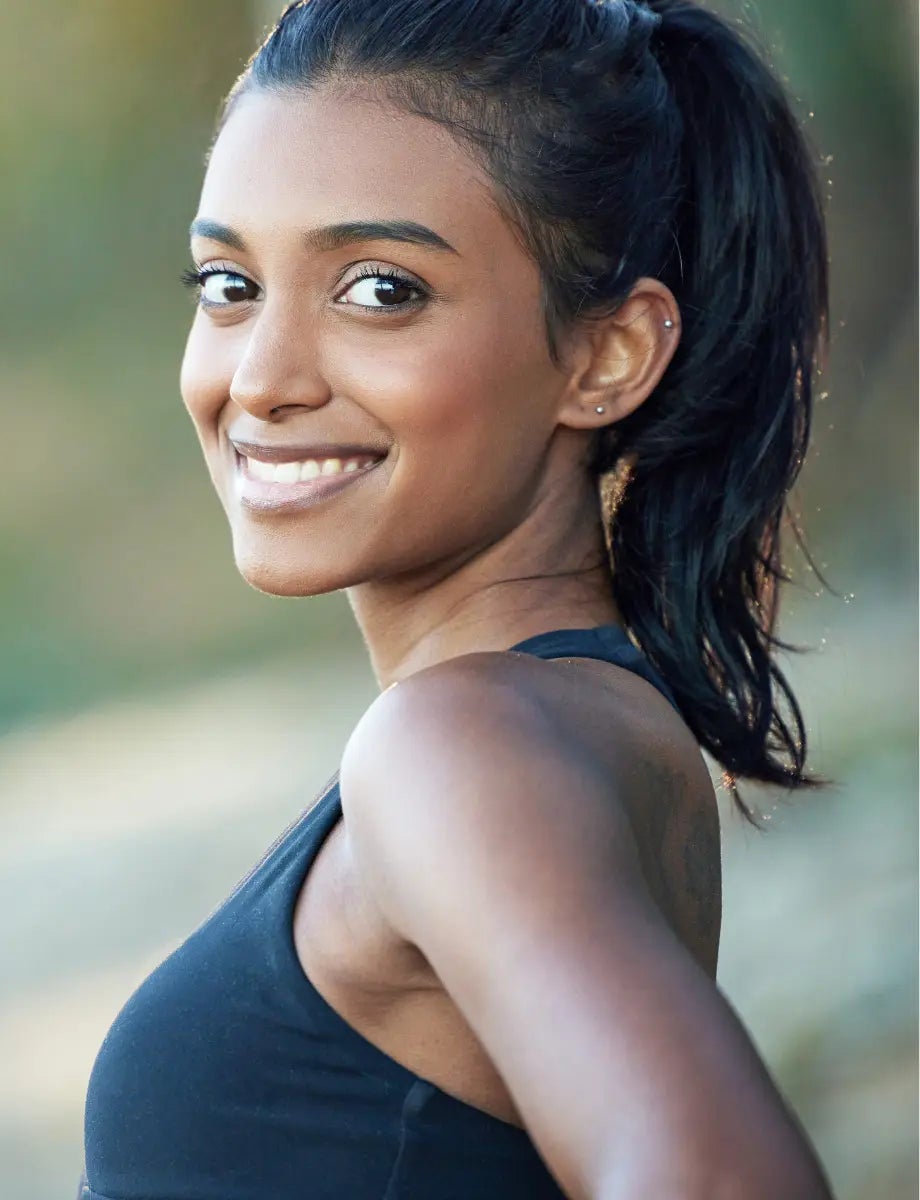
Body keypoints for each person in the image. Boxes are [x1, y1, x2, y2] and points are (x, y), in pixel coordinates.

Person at [77, 0, 836, 1197]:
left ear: (607, 356)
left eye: (380, 290)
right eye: (228, 283)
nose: (260, 378)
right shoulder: (572, 721)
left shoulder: (462, 747)